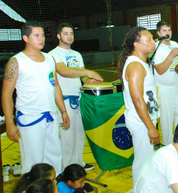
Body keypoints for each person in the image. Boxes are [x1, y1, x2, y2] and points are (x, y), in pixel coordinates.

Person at [2, 21, 69, 175]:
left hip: (51, 117)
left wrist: (63, 111)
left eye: (43, 35)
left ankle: (53, 188)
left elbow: (56, 86)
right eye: (36, 35)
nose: (41, 39)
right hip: (30, 118)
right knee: (33, 163)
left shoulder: (49, 59)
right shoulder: (16, 61)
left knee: (55, 158)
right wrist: (10, 124)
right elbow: (6, 94)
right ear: (25, 38)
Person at [49, 23, 103, 171]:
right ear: (58, 36)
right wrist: (89, 72)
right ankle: (67, 167)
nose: (69, 36)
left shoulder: (77, 54)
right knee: (67, 136)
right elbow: (64, 71)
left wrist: (88, 80)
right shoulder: (54, 54)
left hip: (78, 98)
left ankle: (78, 162)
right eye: (65, 33)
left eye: (71, 33)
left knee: (79, 133)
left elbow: (82, 77)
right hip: (64, 100)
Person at [117, 27, 160, 185]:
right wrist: (150, 127)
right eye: (148, 40)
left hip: (146, 120)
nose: (153, 42)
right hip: (141, 122)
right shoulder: (135, 66)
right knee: (143, 162)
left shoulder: (143, 63)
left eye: (152, 39)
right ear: (136, 44)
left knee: (147, 160)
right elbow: (137, 100)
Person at [153, 21, 178, 145]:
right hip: (163, 87)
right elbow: (160, 70)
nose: (167, 33)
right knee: (166, 118)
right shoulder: (156, 48)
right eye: (164, 30)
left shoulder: (174, 44)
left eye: (169, 30)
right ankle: (167, 144)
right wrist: (170, 56)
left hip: (176, 85)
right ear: (158, 33)